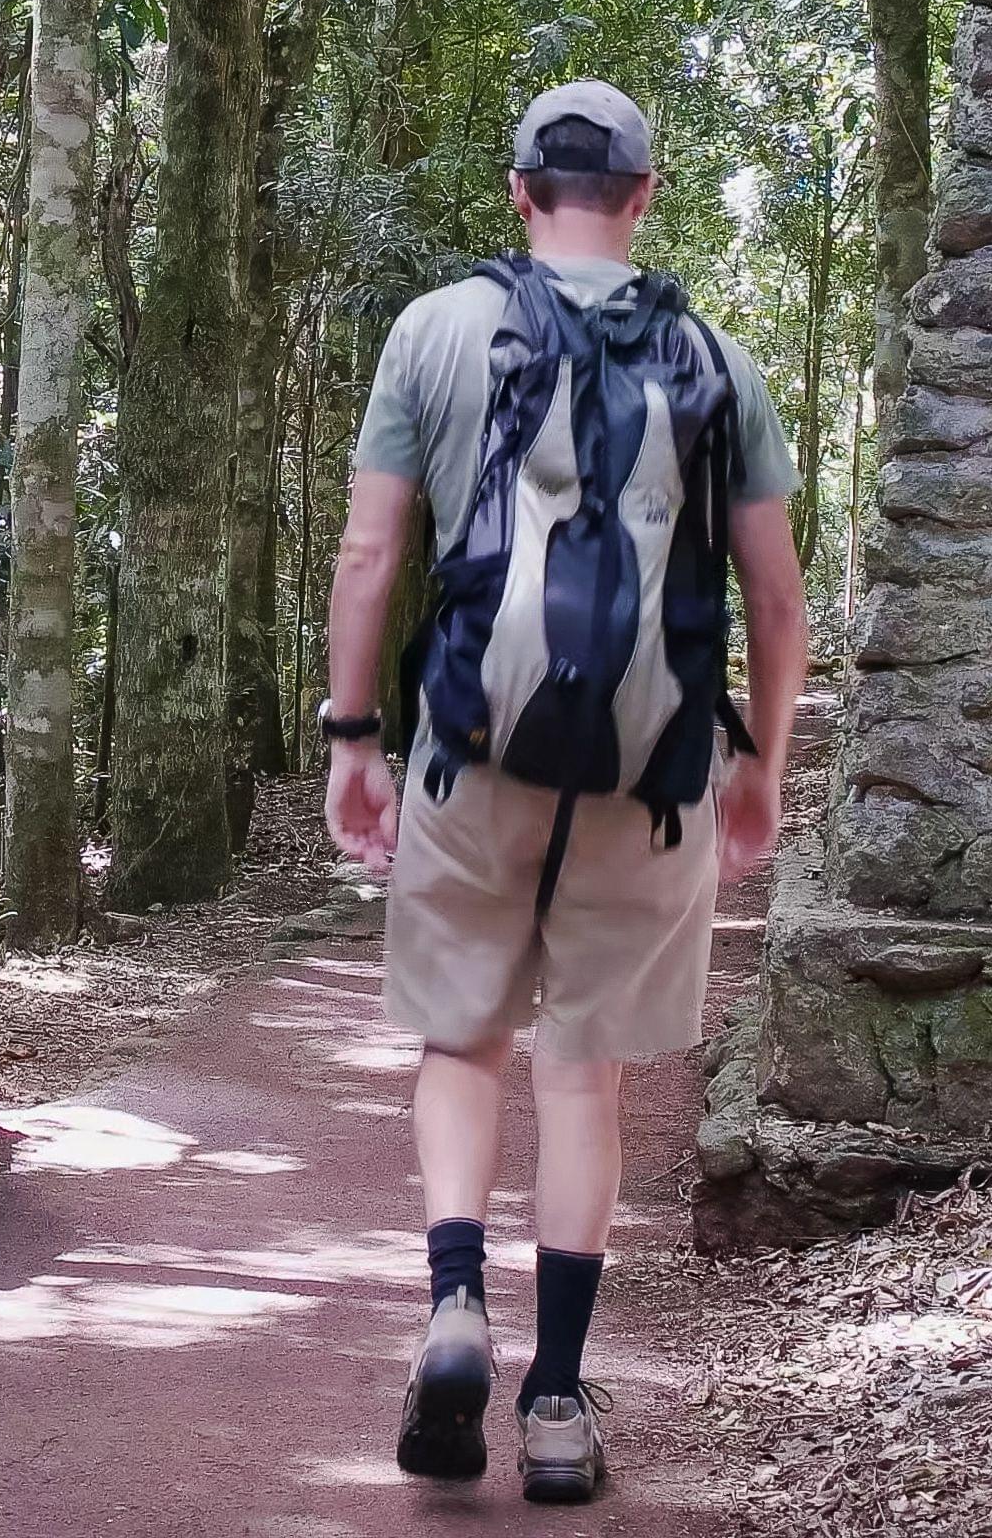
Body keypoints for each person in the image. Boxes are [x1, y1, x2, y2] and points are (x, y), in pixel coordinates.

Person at [319, 78, 809, 1506]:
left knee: (460, 1039)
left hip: (473, 742)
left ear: (517, 190)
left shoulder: (435, 329)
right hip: (652, 768)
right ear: (645, 195)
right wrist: (761, 768)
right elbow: (776, 603)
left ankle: (457, 1304)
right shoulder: (714, 355)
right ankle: (553, 1399)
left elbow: (368, 555)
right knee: (581, 1072)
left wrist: (357, 735)